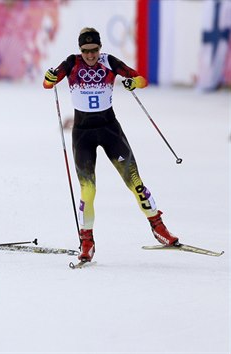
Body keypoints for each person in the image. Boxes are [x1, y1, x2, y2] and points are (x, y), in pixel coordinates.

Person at [43, 27, 179, 262]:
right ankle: (87, 242)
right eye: (86, 51)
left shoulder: (109, 62)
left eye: (94, 50)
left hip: (109, 130)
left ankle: (158, 227)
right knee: (88, 190)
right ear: (80, 50)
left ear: (100, 48)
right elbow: (48, 82)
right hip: (83, 133)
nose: (90, 55)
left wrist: (133, 83)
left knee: (135, 182)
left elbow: (141, 79)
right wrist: (50, 77)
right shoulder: (72, 62)